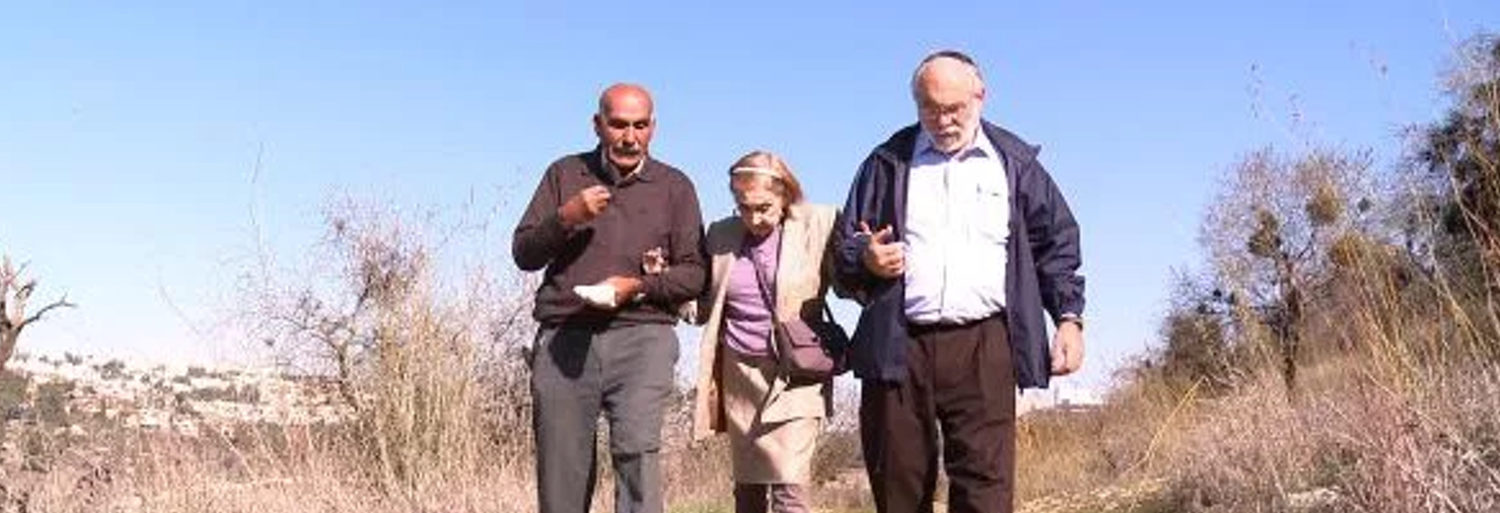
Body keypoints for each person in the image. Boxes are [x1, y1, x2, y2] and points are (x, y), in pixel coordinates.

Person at [831, 50, 1086, 513]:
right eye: (931, 108)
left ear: (980, 97)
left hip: (985, 344)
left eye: (955, 108)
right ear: (916, 104)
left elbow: (1057, 243)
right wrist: (865, 258)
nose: (944, 120)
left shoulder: (1015, 163)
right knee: (899, 490)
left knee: (986, 490)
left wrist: (1069, 318)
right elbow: (842, 251)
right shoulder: (886, 162)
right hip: (898, 345)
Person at [512, 83, 707, 513]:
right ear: (597, 125)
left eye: (640, 126)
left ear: (653, 128)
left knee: (638, 453)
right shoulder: (565, 174)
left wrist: (637, 286)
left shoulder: (675, 187)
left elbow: (695, 275)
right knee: (562, 470)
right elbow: (523, 253)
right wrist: (566, 218)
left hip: (643, 336)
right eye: (618, 125)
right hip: (565, 335)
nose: (629, 137)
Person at [686, 150, 839, 513]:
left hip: (795, 374)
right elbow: (703, 306)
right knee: (749, 488)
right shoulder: (721, 234)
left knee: (790, 484)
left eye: (764, 207)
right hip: (740, 375)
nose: (754, 217)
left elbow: (850, 282)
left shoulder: (820, 224)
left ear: (785, 194)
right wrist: (663, 286)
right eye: (744, 207)